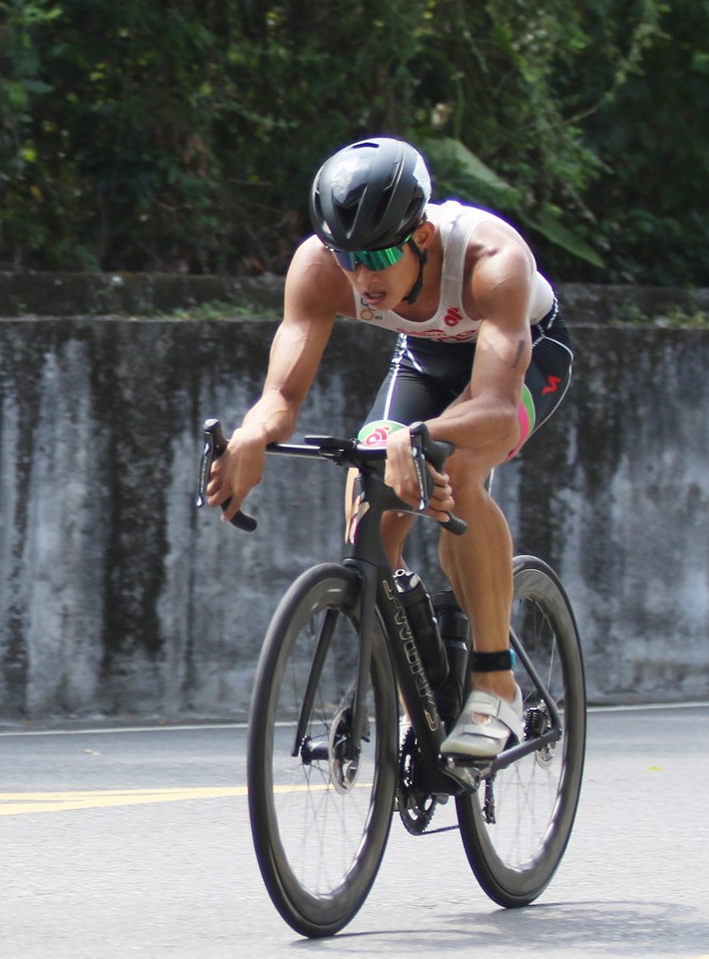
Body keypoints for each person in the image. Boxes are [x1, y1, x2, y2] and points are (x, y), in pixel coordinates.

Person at [205, 137, 575, 756]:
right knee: (368, 501)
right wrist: (251, 436)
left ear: (422, 237)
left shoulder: (492, 259)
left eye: (379, 255)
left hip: (521, 362)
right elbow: (281, 398)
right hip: (426, 358)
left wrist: (423, 437)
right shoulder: (323, 270)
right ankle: (419, 704)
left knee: (456, 468)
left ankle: (496, 684)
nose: (363, 277)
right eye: (348, 257)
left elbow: (493, 405)